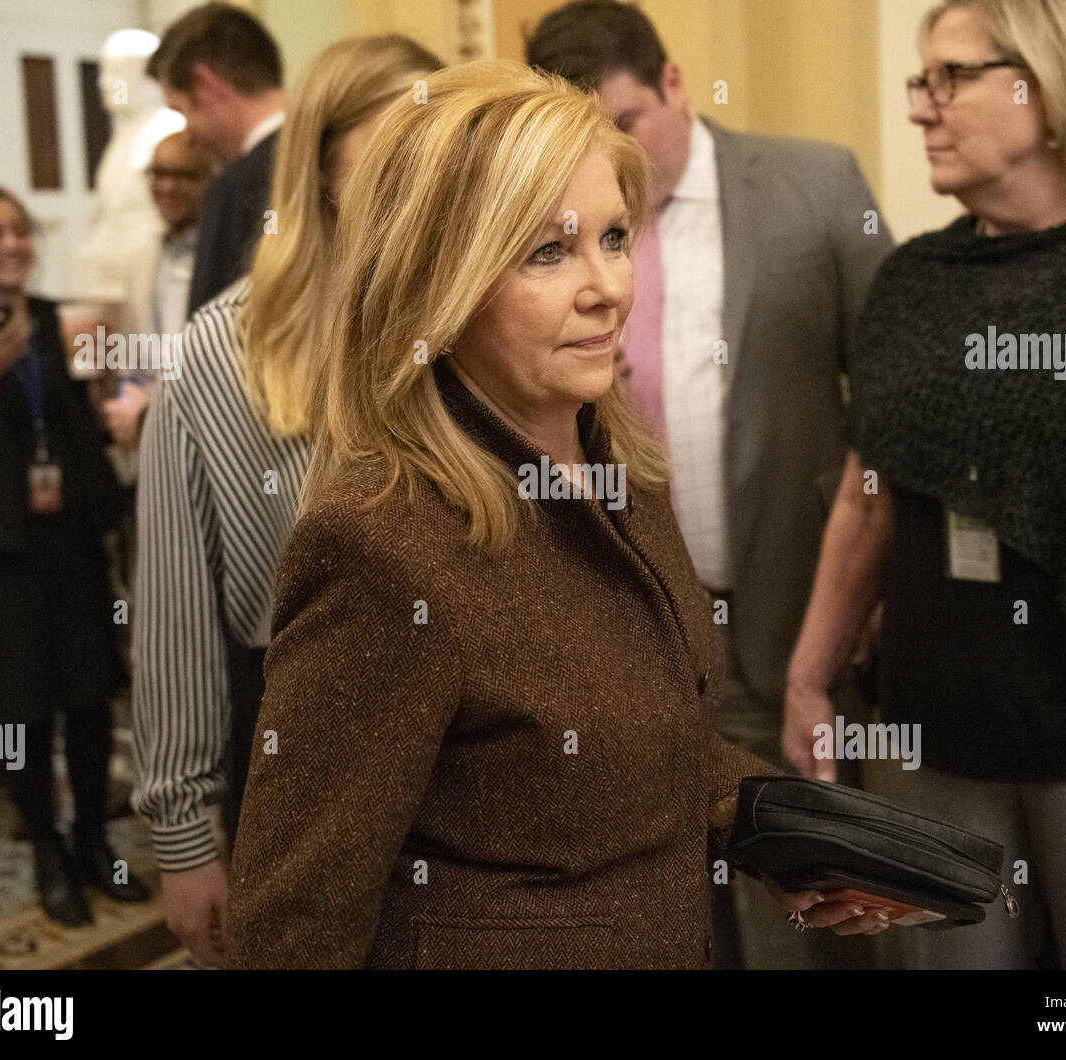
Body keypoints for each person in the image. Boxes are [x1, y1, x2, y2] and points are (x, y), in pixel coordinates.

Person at [225, 60, 892, 970]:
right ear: (438, 283)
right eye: (549, 252)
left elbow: (650, 743)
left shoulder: (623, 469)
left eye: (615, 238)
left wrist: (786, 829)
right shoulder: (380, 546)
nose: (608, 287)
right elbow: (293, 929)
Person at [785, 0, 1066, 969]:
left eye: (950, 78)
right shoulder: (913, 280)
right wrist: (808, 677)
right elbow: (871, 490)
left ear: (1050, 83)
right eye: (917, 80)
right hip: (931, 740)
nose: (918, 109)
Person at [525, 0, 894, 969]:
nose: (612, 155)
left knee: (809, 902)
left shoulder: (814, 186)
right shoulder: (542, 230)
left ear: (675, 84)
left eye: (625, 124)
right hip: (622, 628)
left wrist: (874, 581)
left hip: (791, 614)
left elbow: (893, 408)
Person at [131, 35, 444, 968]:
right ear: (323, 162)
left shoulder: (483, 315)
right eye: (399, 144)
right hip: (304, 766)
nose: (424, 174)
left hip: (482, 775)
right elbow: (177, 621)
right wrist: (185, 841)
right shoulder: (221, 357)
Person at [0, 187, 150, 925]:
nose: (10, 244)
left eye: (19, 231)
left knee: (87, 699)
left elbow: (69, 429)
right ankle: (47, 856)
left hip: (68, 539)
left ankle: (92, 844)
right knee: (21, 714)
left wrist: (107, 481)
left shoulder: (52, 318)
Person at [146, 2, 285, 314]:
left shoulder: (234, 186)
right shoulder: (336, 156)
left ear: (205, 85)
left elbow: (212, 338)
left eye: (180, 111)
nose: (190, 137)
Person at [102, 130, 215, 452]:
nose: (166, 187)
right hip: (149, 438)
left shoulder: (223, 257)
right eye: (158, 174)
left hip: (206, 429)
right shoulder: (139, 256)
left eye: (184, 176)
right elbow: (136, 354)